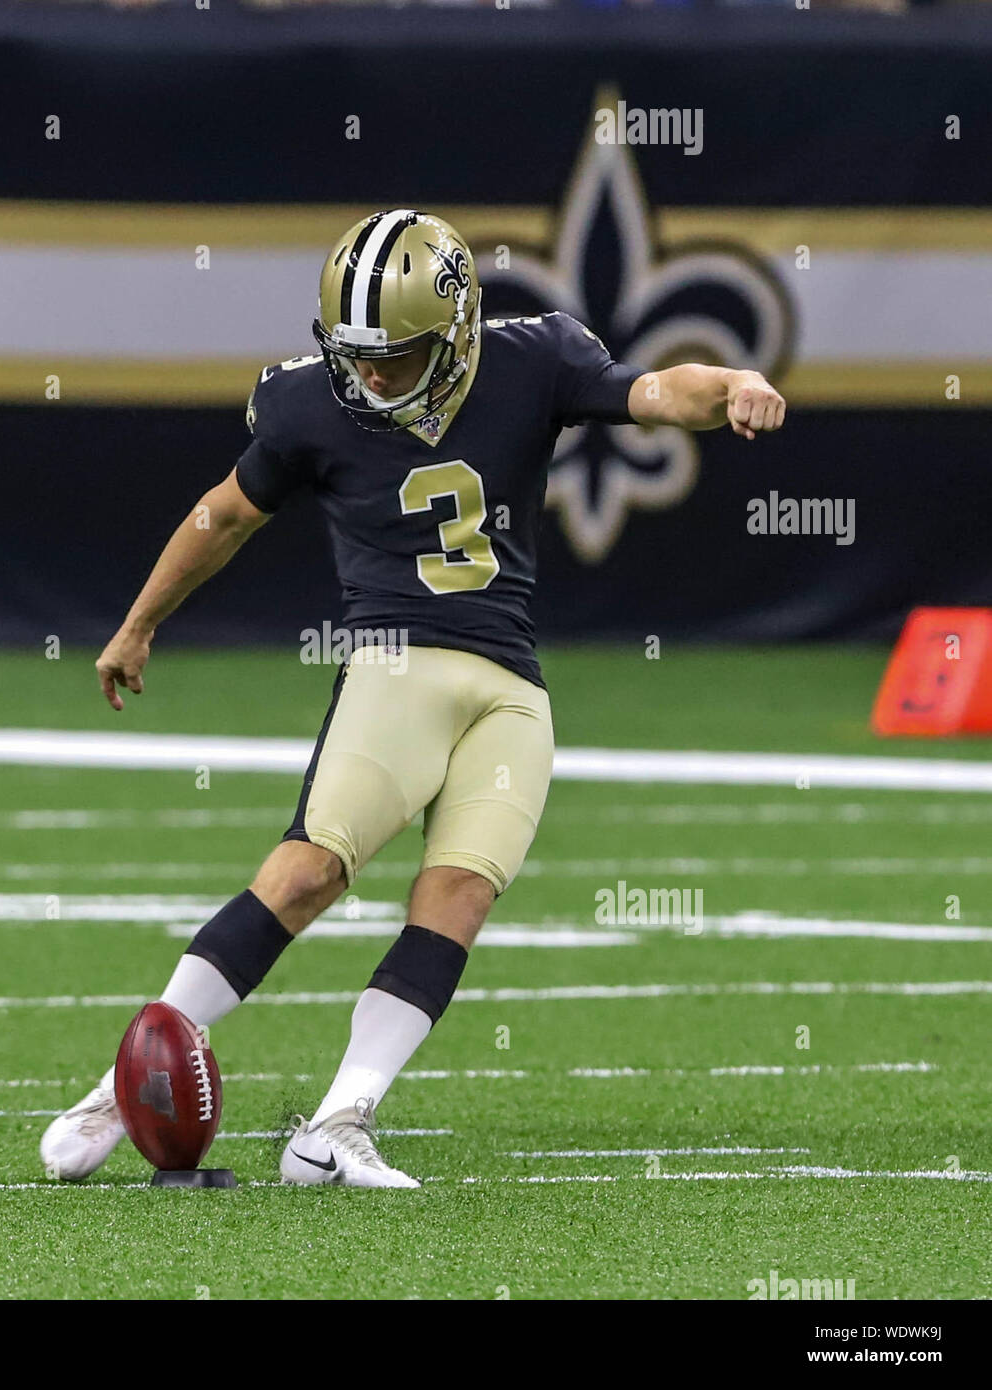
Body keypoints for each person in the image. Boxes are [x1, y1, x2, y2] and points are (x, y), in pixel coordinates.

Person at [40, 208, 786, 1187]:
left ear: (458, 329)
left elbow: (655, 391)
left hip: (509, 683)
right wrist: (139, 621)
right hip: (396, 662)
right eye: (356, 353)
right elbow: (220, 515)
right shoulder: (309, 405)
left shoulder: (532, 363)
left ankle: (339, 1122)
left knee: (459, 894)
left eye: (395, 353)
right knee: (307, 871)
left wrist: (731, 381)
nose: (375, 374)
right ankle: (118, 1086)